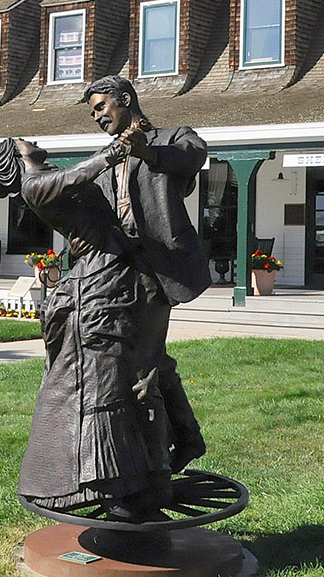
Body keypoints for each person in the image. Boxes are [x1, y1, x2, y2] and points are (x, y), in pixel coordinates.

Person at [0, 136, 179, 519]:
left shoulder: (46, 176)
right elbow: (79, 175)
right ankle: (114, 478)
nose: (31, 139)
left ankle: (163, 456)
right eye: (22, 141)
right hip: (101, 275)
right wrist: (113, 153)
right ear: (15, 157)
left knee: (146, 362)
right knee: (105, 378)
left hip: (120, 266)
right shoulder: (34, 185)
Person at [82, 75, 210, 470]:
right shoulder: (106, 155)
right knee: (146, 357)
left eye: (101, 107)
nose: (97, 117)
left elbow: (193, 156)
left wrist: (148, 153)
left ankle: (155, 468)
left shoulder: (172, 138)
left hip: (155, 266)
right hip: (118, 269)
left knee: (143, 364)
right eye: (92, 112)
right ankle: (186, 437)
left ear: (125, 99)